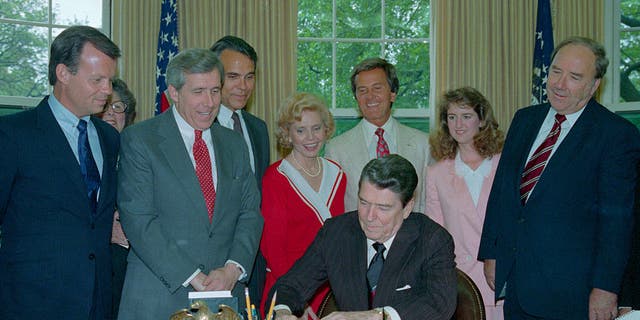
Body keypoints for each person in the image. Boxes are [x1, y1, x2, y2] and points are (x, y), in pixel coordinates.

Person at [478, 36, 640, 320]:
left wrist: (606, 289)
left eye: (574, 77)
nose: (559, 84)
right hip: (517, 283)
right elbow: (502, 191)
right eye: (556, 71)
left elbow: (617, 223)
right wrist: (492, 252)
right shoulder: (524, 119)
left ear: (594, 85)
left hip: (573, 293)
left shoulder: (617, 136)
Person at [116, 48, 263, 319]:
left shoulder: (234, 143)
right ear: (174, 92)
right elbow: (139, 220)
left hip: (224, 299)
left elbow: (250, 213)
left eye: (215, 91)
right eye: (198, 92)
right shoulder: (140, 140)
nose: (209, 102)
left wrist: (232, 269)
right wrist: (193, 276)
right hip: (158, 297)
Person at [0, 25, 121, 319]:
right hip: (31, 303)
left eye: (110, 80)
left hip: (99, 302)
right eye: (97, 80)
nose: (107, 89)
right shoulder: (13, 134)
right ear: (63, 74)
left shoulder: (109, 137)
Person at [270, 154, 457, 320]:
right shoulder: (336, 232)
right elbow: (290, 285)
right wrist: (282, 312)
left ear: (407, 208)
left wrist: (373, 316)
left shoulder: (432, 239)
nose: (369, 216)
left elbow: (439, 304)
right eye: (364, 202)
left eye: (383, 208)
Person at [259, 92, 346, 317]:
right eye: (300, 130)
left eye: (316, 128)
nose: (310, 137)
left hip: (330, 291)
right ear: (287, 134)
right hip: (287, 288)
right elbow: (274, 250)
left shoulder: (337, 174)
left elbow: (339, 240)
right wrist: (299, 298)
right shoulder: (275, 177)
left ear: (326, 129)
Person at [425, 87, 504, 319]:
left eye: (466, 116)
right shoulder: (436, 173)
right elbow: (436, 236)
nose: (458, 124)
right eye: (452, 117)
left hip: (501, 282)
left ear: (482, 121)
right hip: (461, 285)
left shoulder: (505, 165)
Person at [324, 57, 430, 214]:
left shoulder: (423, 144)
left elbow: (428, 203)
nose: (370, 96)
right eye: (362, 90)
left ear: (392, 94)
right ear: (356, 98)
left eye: (377, 88)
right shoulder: (336, 149)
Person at [210, 35, 270, 307]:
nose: (243, 86)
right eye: (233, 76)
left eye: (250, 77)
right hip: (210, 268)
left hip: (251, 262)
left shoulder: (258, 129)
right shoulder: (200, 129)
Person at [98, 78, 137, 318]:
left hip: (133, 264)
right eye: (105, 106)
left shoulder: (139, 153)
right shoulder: (84, 153)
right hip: (99, 260)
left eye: (118, 106)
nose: (111, 113)